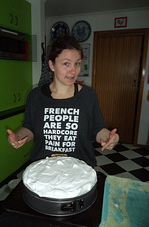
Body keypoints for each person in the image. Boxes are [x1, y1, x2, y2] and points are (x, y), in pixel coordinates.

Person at [7, 36, 119, 167]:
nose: (73, 70)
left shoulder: (88, 95)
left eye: (77, 63)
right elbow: (29, 128)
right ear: (52, 65)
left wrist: (110, 138)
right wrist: (19, 136)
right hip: (43, 168)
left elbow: (97, 129)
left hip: (80, 168)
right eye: (66, 63)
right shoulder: (35, 96)